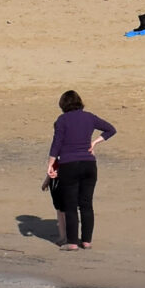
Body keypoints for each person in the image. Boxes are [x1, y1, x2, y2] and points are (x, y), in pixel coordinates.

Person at [46, 90, 115, 250]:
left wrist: (50, 164)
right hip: (89, 164)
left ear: (63, 105)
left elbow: (57, 144)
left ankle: (72, 243)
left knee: (70, 205)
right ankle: (86, 241)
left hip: (69, 165)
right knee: (86, 204)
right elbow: (111, 129)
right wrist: (94, 143)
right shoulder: (89, 117)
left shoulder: (62, 120)